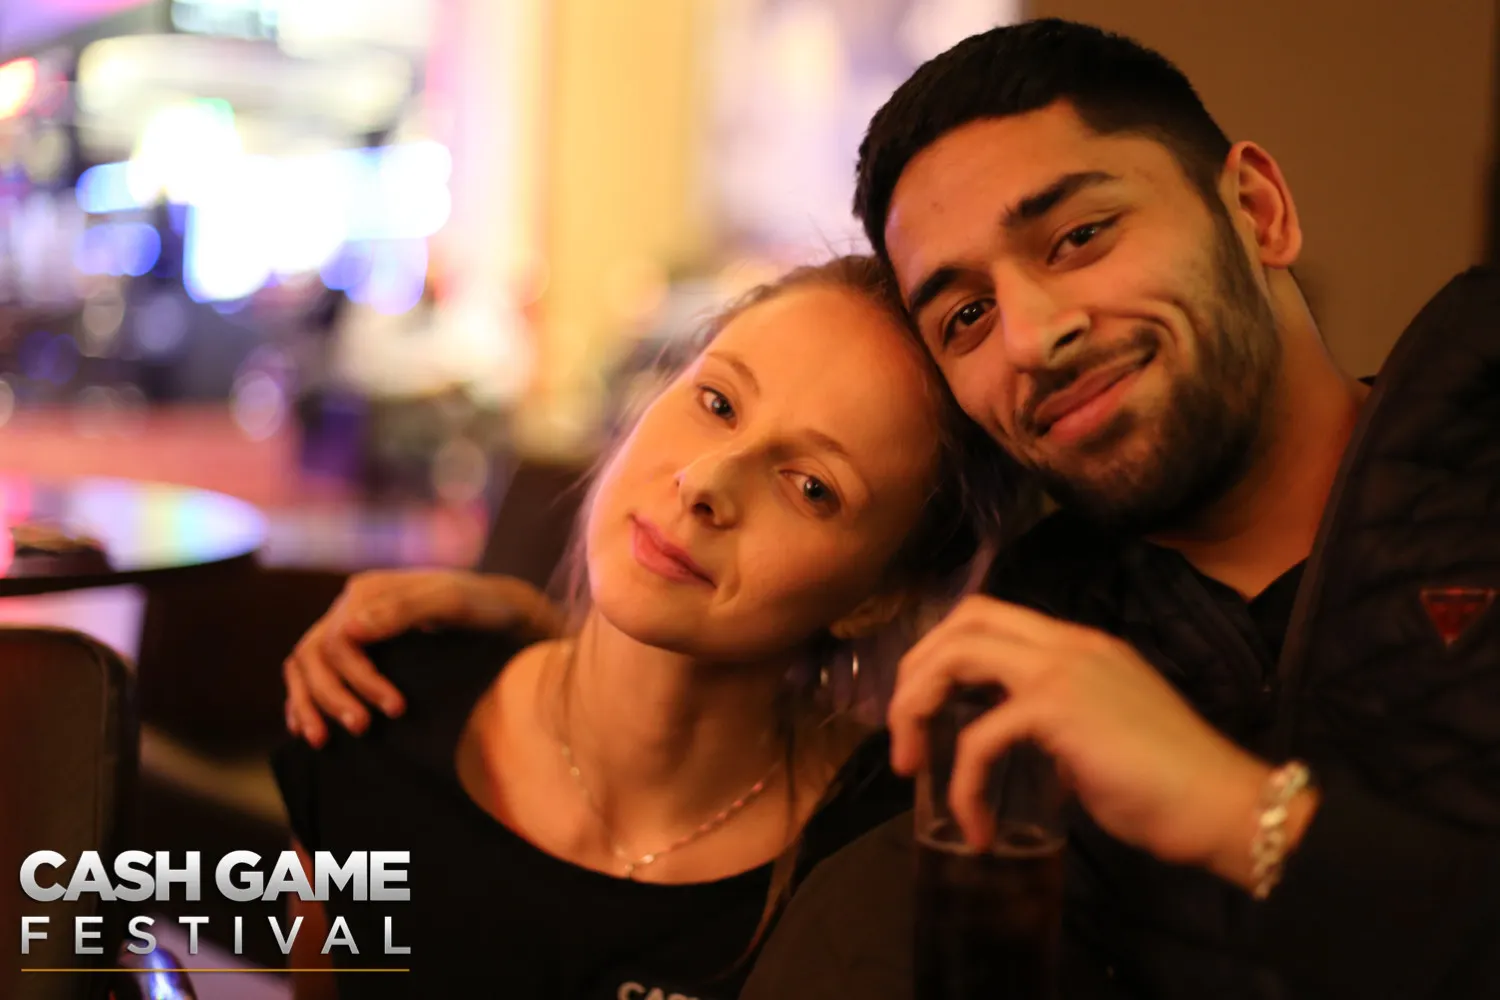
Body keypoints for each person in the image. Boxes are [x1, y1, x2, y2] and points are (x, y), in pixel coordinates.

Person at [739, 17, 1500, 1000]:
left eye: (1079, 238)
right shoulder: (1017, 656)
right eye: (966, 316)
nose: (1033, 337)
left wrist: (1239, 814)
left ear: (1258, 211)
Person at [270, 255, 1024, 999]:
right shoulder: (377, 706)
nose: (705, 482)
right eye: (718, 403)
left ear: (879, 595)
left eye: (811, 487)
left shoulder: (889, 858)